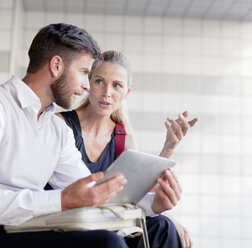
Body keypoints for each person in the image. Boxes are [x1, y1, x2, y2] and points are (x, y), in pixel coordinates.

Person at [0, 23, 181, 248]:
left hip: (25, 228)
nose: (88, 86)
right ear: (56, 66)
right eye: (84, 72)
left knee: (160, 229)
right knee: (107, 244)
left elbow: (96, 190)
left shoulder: (56, 130)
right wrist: (62, 200)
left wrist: (153, 205)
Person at [57, 50, 198, 248]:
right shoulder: (61, 125)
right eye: (99, 81)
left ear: (127, 92)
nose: (107, 92)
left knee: (164, 226)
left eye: (116, 85)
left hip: (110, 220)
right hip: (68, 222)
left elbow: (132, 193)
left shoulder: (124, 139)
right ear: (88, 82)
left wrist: (169, 147)